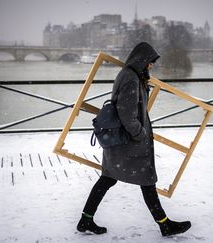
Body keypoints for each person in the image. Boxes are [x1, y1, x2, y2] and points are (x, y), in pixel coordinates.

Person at [77, 42, 191, 237]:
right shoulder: (131, 78)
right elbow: (127, 114)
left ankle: (86, 219)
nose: (151, 66)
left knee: (109, 179)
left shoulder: (130, 75)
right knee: (145, 180)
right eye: (150, 63)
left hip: (121, 142)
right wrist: (140, 134)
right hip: (129, 143)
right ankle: (165, 225)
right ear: (142, 61)